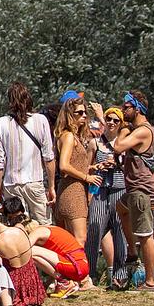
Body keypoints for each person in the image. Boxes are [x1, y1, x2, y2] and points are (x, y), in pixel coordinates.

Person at [109, 94, 154, 291]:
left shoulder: (143, 131)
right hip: (133, 190)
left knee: (145, 234)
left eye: (127, 107)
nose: (123, 111)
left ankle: (150, 282)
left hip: (142, 191)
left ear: (137, 109)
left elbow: (118, 146)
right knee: (120, 209)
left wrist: (122, 128)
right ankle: (132, 251)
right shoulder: (140, 130)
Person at [0, 85, 56, 225]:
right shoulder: (41, 120)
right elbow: (48, 157)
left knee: (17, 227)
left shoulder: (0, 124)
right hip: (35, 181)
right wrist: (51, 187)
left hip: (11, 184)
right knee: (44, 226)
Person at [52, 95, 98, 286]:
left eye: (85, 113)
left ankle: (63, 278)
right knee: (79, 239)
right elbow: (63, 166)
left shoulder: (68, 136)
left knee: (65, 241)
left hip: (68, 189)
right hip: (73, 192)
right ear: (69, 114)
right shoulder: (69, 136)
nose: (84, 116)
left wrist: (90, 169)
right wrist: (86, 177)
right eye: (79, 113)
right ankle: (81, 277)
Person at [85, 106, 125, 283]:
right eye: (108, 119)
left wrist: (118, 164)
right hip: (100, 190)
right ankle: (89, 274)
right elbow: (86, 167)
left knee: (120, 232)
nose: (111, 123)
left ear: (121, 124)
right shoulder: (95, 143)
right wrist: (98, 167)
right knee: (94, 231)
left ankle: (120, 275)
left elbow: (131, 168)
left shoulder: (124, 144)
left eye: (116, 120)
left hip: (119, 190)